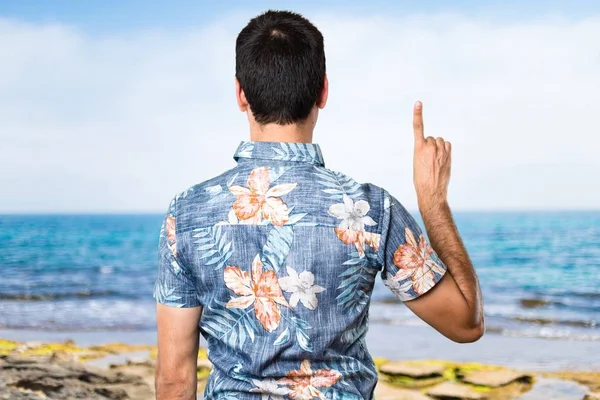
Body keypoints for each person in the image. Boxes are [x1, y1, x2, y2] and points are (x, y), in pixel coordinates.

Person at [154, 10, 484, 400]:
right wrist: (434, 203)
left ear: (241, 94)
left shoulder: (187, 214)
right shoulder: (369, 210)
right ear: (323, 92)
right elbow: (466, 324)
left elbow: (174, 379)